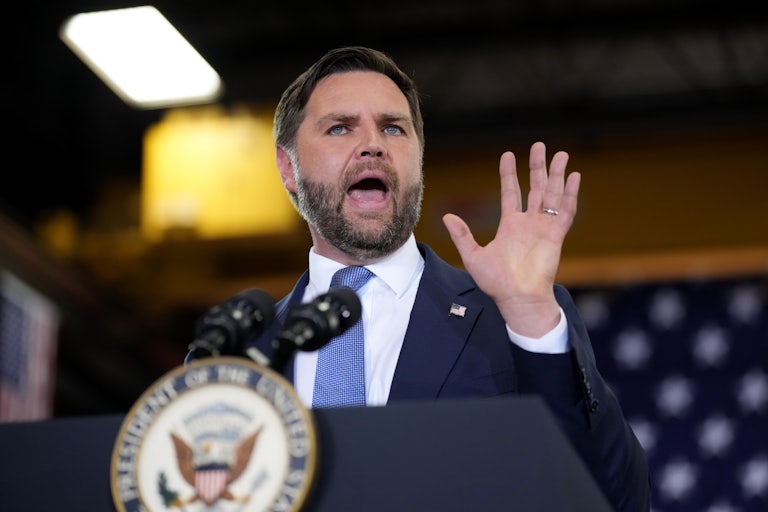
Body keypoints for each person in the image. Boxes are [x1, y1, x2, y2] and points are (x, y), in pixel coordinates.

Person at [191, 46, 651, 510]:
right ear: (289, 168)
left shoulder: (507, 318)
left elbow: (613, 497)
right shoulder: (237, 353)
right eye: (340, 127)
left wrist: (530, 315)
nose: (373, 144)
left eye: (393, 127)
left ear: (419, 158)